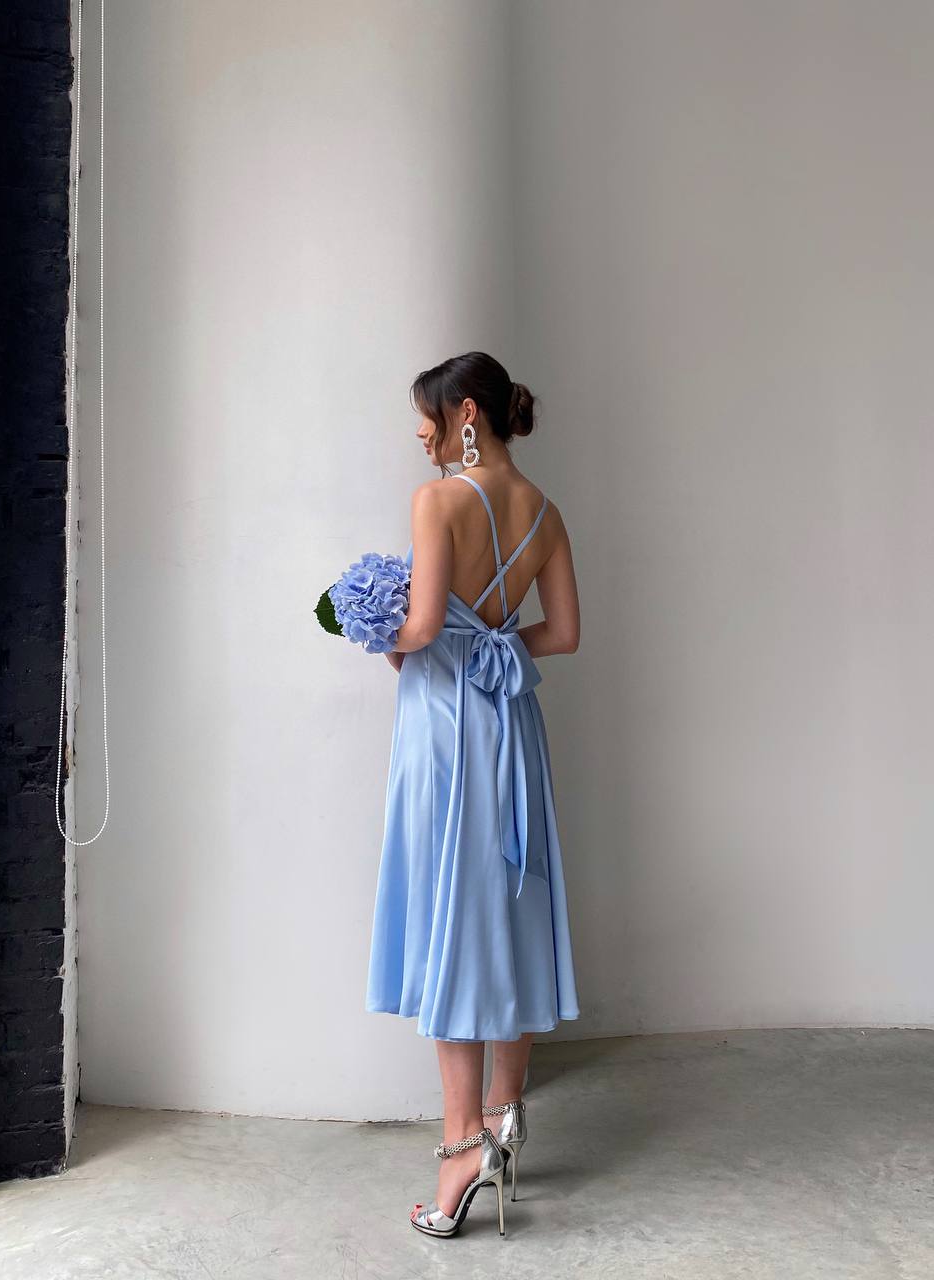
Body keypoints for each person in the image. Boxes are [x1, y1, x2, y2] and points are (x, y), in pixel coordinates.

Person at [365, 351, 581, 1238]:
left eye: (425, 417)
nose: (417, 433)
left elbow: (418, 628)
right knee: (508, 906)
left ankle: (460, 1152)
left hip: (446, 730)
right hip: (511, 723)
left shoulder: (438, 501)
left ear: (462, 414)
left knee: (453, 922)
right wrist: (496, 645)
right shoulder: (545, 511)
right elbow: (561, 635)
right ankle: (503, 1117)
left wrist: (378, 631)